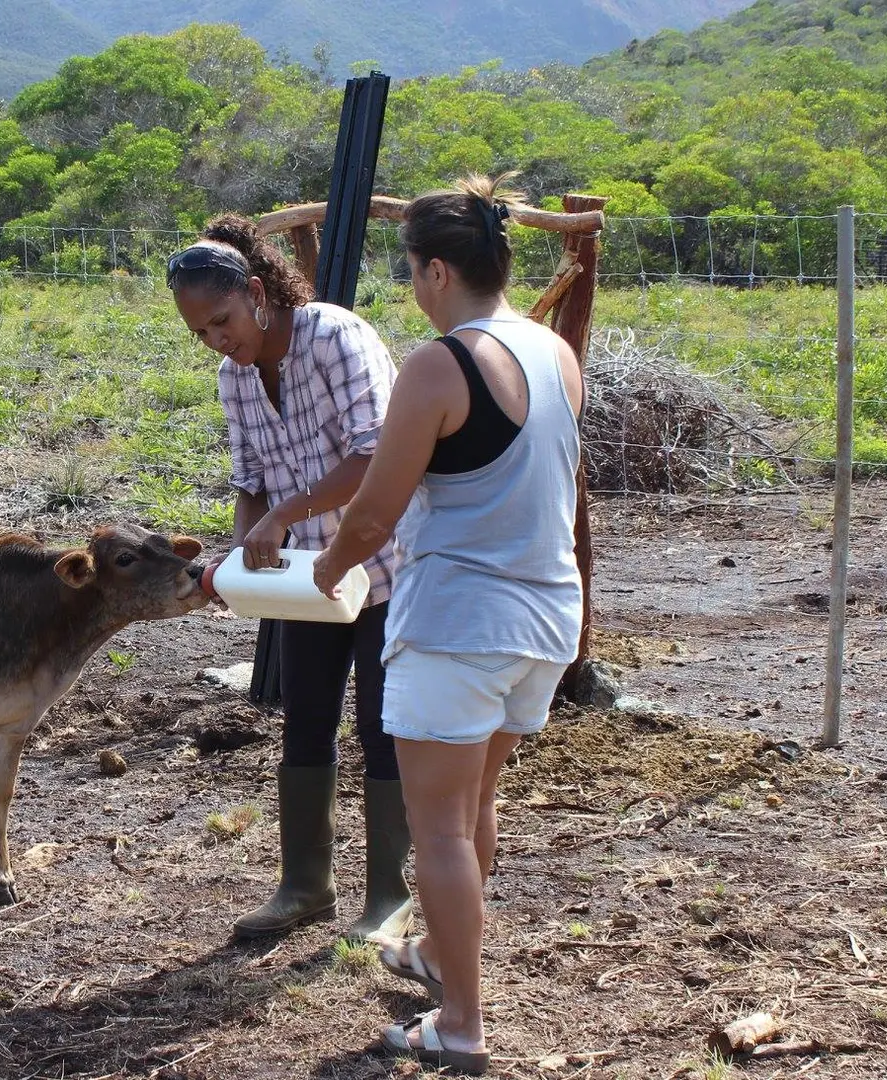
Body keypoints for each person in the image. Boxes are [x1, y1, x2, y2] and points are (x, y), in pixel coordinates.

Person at [312, 173, 584, 1075]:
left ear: (432, 270)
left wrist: (327, 569)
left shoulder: (439, 363)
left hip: (460, 621)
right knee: (473, 810)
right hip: (545, 616)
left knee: (436, 830)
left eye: (410, 273)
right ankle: (436, 956)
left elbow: (375, 511)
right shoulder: (554, 353)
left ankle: (462, 1024)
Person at [165, 214, 416, 943]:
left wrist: (282, 514)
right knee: (305, 723)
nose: (218, 341)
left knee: (383, 728)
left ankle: (388, 899)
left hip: (385, 566)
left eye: (223, 321)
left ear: (255, 290)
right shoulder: (233, 378)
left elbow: (377, 459)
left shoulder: (336, 337)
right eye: (201, 334)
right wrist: (248, 544)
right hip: (308, 580)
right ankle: (305, 886)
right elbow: (250, 479)